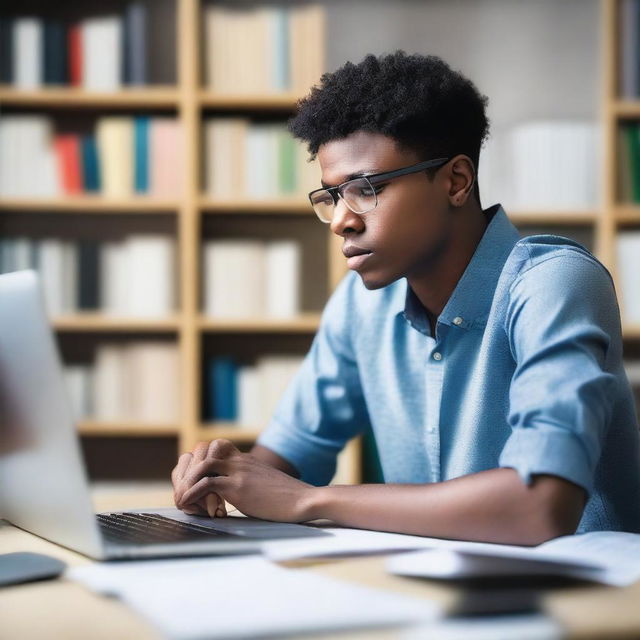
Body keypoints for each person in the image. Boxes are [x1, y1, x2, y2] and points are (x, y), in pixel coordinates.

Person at [172, 51, 640, 544]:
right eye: (331, 196)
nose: (340, 220)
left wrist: (311, 499)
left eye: (366, 188)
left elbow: (540, 506)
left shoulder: (553, 283)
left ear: (456, 181)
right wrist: (220, 478)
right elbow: (284, 461)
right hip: (430, 589)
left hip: (581, 601)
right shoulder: (362, 303)